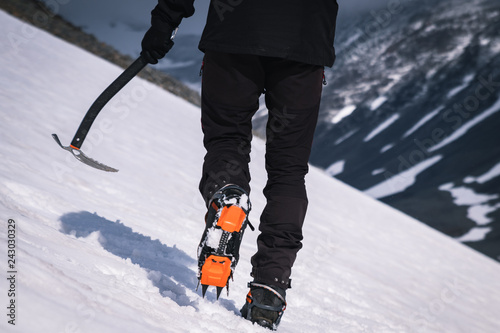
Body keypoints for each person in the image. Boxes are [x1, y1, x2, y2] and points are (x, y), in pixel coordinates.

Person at [141, 0, 338, 330]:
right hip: (305, 42)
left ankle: (228, 195)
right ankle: (269, 288)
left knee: (227, 139)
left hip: (234, 31)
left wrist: (165, 22)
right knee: (288, 170)